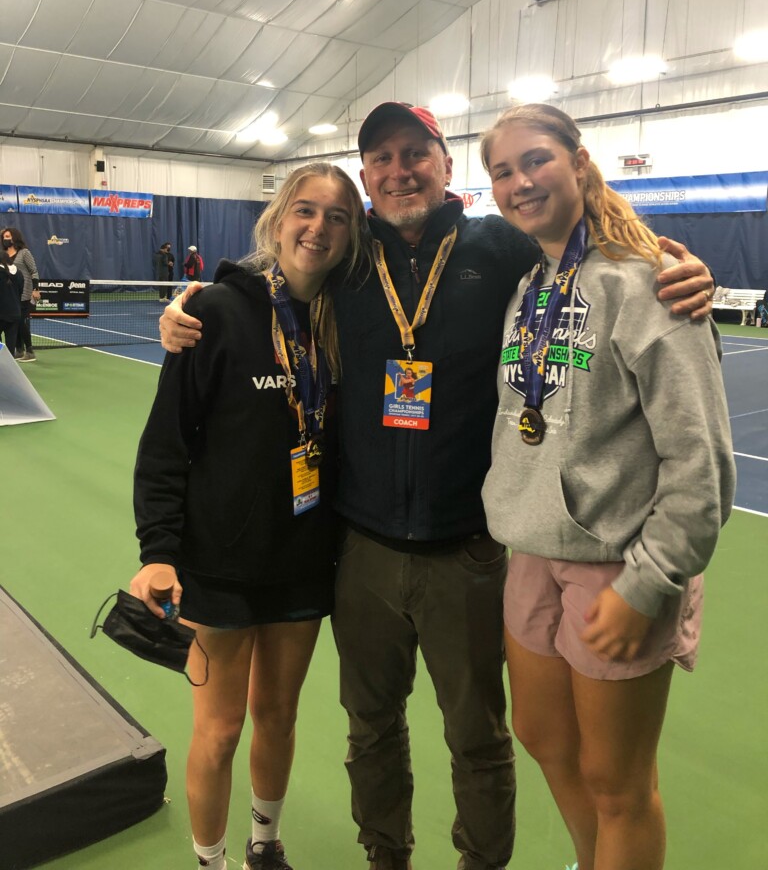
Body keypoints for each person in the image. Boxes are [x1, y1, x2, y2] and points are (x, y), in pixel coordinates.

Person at [158, 103, 715, 870]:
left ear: (447, 166)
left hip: (475, 550)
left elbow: (589, 240)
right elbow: (287, 266)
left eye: (416, 152)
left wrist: (679, 267)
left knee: (480, 735)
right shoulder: (352, 259)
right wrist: (191, 303)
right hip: (363, 549)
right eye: (382, 158)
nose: (400, 170)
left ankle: (480, 861)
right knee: (372, 726)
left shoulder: (502, 246)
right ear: (368, 175)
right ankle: (388, 854)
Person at [479, 103, 735, 870]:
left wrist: (650, 582)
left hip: (618, 566)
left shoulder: (649, 281)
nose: (520, 181)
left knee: (618, 783)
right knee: (546, 740)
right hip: (531, 552)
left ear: (579, 164)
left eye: (536, 161)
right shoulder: (530, 286)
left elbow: (702, 463)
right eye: (502, 170)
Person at [130, 163, 368, 870]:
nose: (318, 228)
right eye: (305, 210)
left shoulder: (348, 317)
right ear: (277, 218)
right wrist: (158, 548)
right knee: (220, 728)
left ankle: (265, 847)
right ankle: (212, 862)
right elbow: (166, 442)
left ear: (353, 233)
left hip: (302, 565)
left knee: (280, 715)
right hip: (219, 567)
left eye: (336, 216)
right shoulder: (214, 312)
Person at [1, 226, 41, 361]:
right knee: (14, 322)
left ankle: (29, 351)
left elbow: (34, 271)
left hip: (24, 293)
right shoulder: (3, 253)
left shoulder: (24, 253)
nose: (6, 239)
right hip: (9, 296)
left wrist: (36, 289)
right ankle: (19, 350)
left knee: (19, 321)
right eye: (4, 237)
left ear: (15, 237)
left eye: (8, 236)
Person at [0, 248, 24, 356]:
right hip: (15, 313)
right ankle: (9, 369)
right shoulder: (19, 273)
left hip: (1, 313)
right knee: (11, 347)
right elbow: (20, 291)